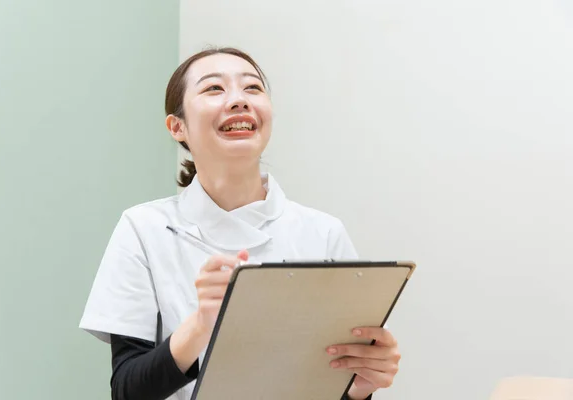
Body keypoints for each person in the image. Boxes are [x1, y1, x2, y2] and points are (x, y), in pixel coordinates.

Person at [79, 47, 401, 400]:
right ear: (177, 126)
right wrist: (201, 326)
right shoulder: (143, 228)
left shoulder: (324, 234)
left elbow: (334, 383)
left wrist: (359, 388)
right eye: (214, 89)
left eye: (252, 88)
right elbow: (126, 390)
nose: (239, 101)